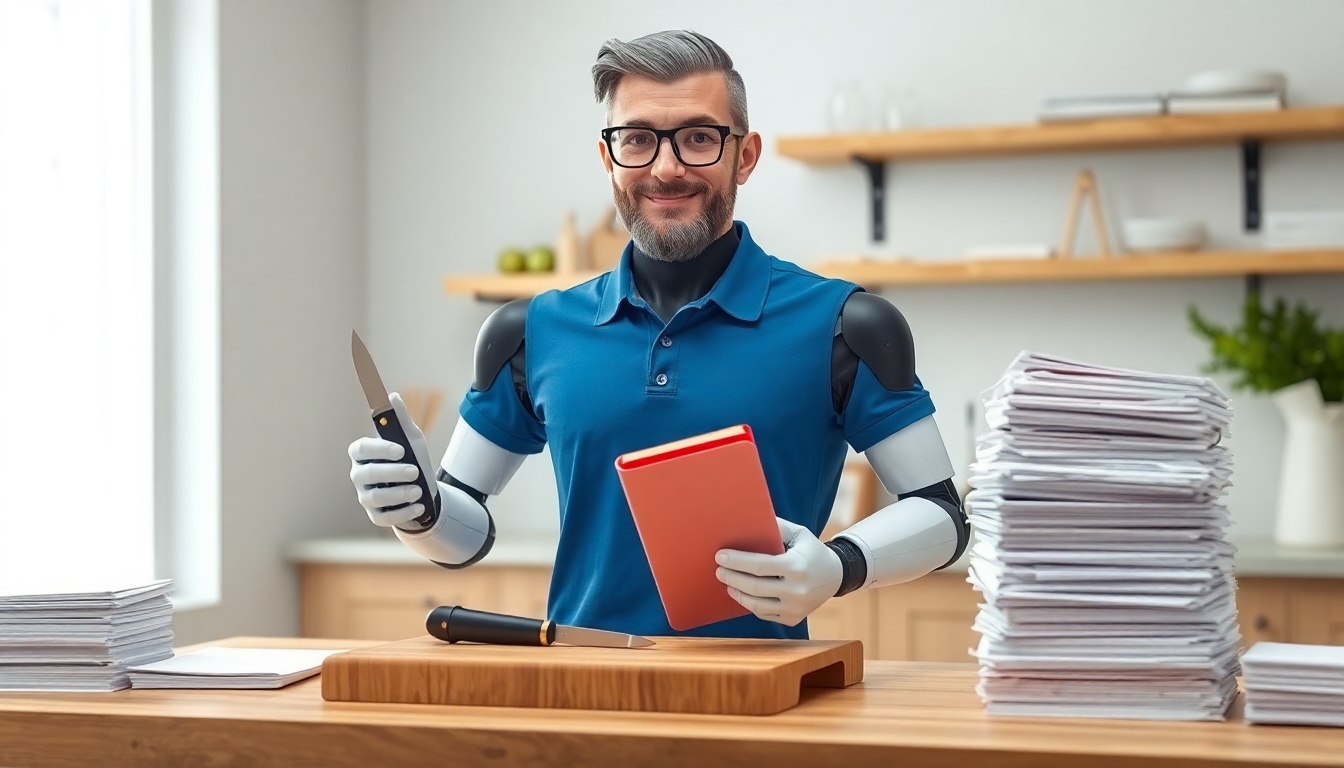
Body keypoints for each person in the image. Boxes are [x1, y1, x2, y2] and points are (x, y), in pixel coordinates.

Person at [348, 30, 967, 640]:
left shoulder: (847, 325)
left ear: (744, 156)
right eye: (639, 140)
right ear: (608, 158)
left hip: (765, 703)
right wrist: (421, 510)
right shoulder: (528, 331)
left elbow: (943, 513)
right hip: (582, 698)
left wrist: (839, 565)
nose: (666, 168)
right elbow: (464, 533)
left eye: (698, 138)